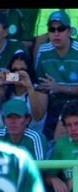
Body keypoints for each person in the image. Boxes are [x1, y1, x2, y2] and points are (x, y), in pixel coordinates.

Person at [35, 11, 78, 141]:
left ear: (70, 32)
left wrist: (59, 87)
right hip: (53, 104)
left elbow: (55, 87)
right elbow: (40, 85)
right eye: (52, 29)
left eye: (61, 29)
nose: (56, 33)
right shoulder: (43, 52)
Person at [0, 52, 47, 135]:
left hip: (31, 139)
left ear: (29, 72)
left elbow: (38, 117)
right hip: (6, 139)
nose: (17, 74)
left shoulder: (40, 91)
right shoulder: (2, 91)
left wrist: (29, 87)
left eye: (22, 70)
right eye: (14, 70)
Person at [48, 99, 78, 192]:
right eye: (69, 125)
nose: (73, 129)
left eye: (77, 124)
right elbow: (48, 175)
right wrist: (55, 179)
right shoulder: (62, 144)